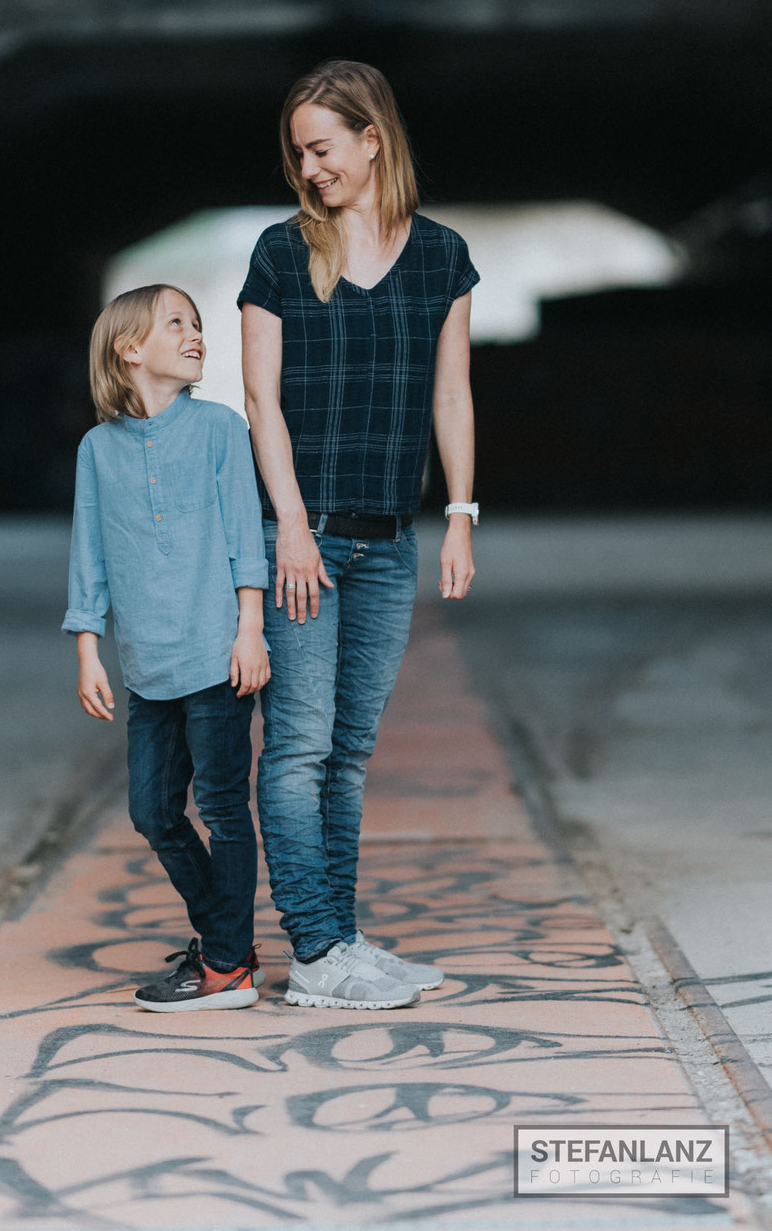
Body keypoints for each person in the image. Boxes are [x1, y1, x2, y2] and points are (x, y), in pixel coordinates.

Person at [239, 59, 479, 1010]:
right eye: (299, 152)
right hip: (304, 537)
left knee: (349, 750)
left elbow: (452, 392)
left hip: (390, 543)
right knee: (296, 747)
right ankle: (314, 953)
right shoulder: (278, 250)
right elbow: (261, 399)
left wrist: (460, 514)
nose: (309, 168)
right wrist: (291, 528)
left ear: (372, 139)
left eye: (324, 148)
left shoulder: (443, 256)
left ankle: (339, 940)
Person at [63, 284, 270, 1011]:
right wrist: (88, 647)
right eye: (175, 323)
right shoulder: (97, 449)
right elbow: (89, 552)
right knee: (152, 811)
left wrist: (251, 629)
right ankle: (228, 944)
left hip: (217, 654)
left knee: (220, 805)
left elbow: (247, 534)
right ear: (129, 349)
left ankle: (223, 967)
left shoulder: (218, 429)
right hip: (147, 668)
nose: (195, 334)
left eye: (196, 324)